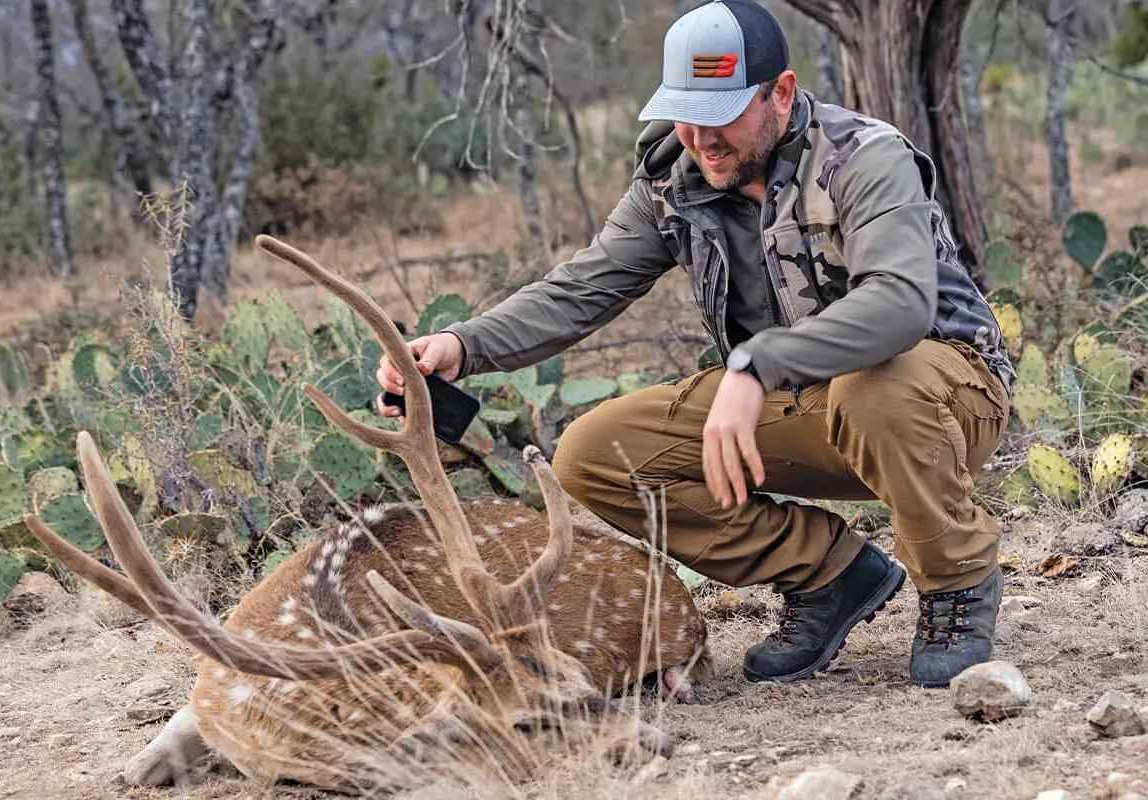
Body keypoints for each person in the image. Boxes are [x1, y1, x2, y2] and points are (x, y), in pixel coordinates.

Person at [376, 0, 1014, 688]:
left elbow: (901, 304)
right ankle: (829, 574)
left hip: (940, 395)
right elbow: (581, 289)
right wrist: (460, 345)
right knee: (594, 456)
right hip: (797, 399)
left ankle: (956, 583)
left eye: (722, 115)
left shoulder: (865, 156)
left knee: (873, 391)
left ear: (782, 93)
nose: (701, 138)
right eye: (686, 114)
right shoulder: (672, 176)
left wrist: (755, 363)